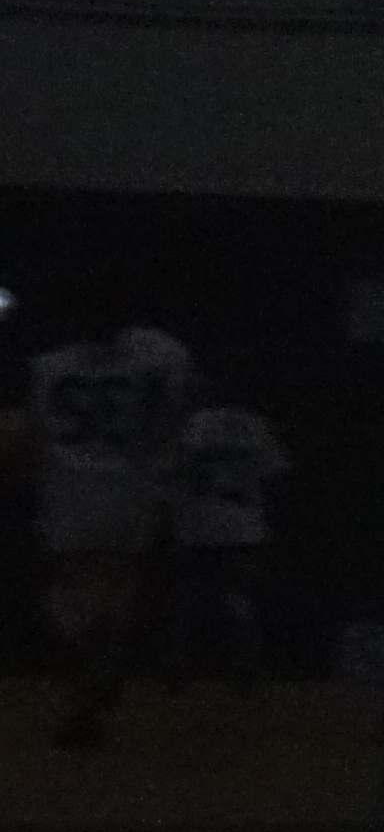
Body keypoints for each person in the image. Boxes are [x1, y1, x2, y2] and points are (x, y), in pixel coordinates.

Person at [18, 281, 194, 751]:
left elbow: (34, 434)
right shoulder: (162, 356)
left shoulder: (47, 367)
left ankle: (87, 669)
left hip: (69, 490)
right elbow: (173, 417)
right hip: (130, 490)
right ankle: (100, 662)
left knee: (68, 588)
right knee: (119, 585)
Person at [161, 384, 290, 684]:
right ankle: (246, 664)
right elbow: (277, 475)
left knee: (189, 598)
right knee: (237, 598)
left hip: (198, 527)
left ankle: (182, 664)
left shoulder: (194, 425)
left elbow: (171, 471)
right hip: (244, 527)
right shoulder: (255, 425)